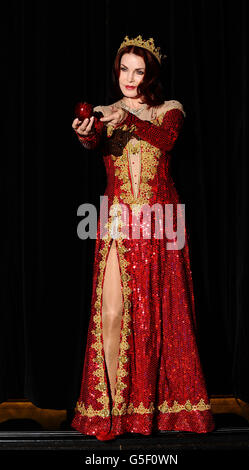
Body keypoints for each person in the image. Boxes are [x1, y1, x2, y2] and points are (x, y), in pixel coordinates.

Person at [71, 35, 215, 441]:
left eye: (139, 71)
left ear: (150, 75)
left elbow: (166, 140)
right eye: (124, 69)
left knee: (163, 319)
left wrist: (130, 120)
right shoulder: (103, 112)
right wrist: (85, 131)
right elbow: (91, 140)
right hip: (118, 221)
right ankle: (111, 413)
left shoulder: (169, 111)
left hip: (160, 222)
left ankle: (150, 413)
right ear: (116, 71)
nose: (130, 78)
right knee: (112, 314)